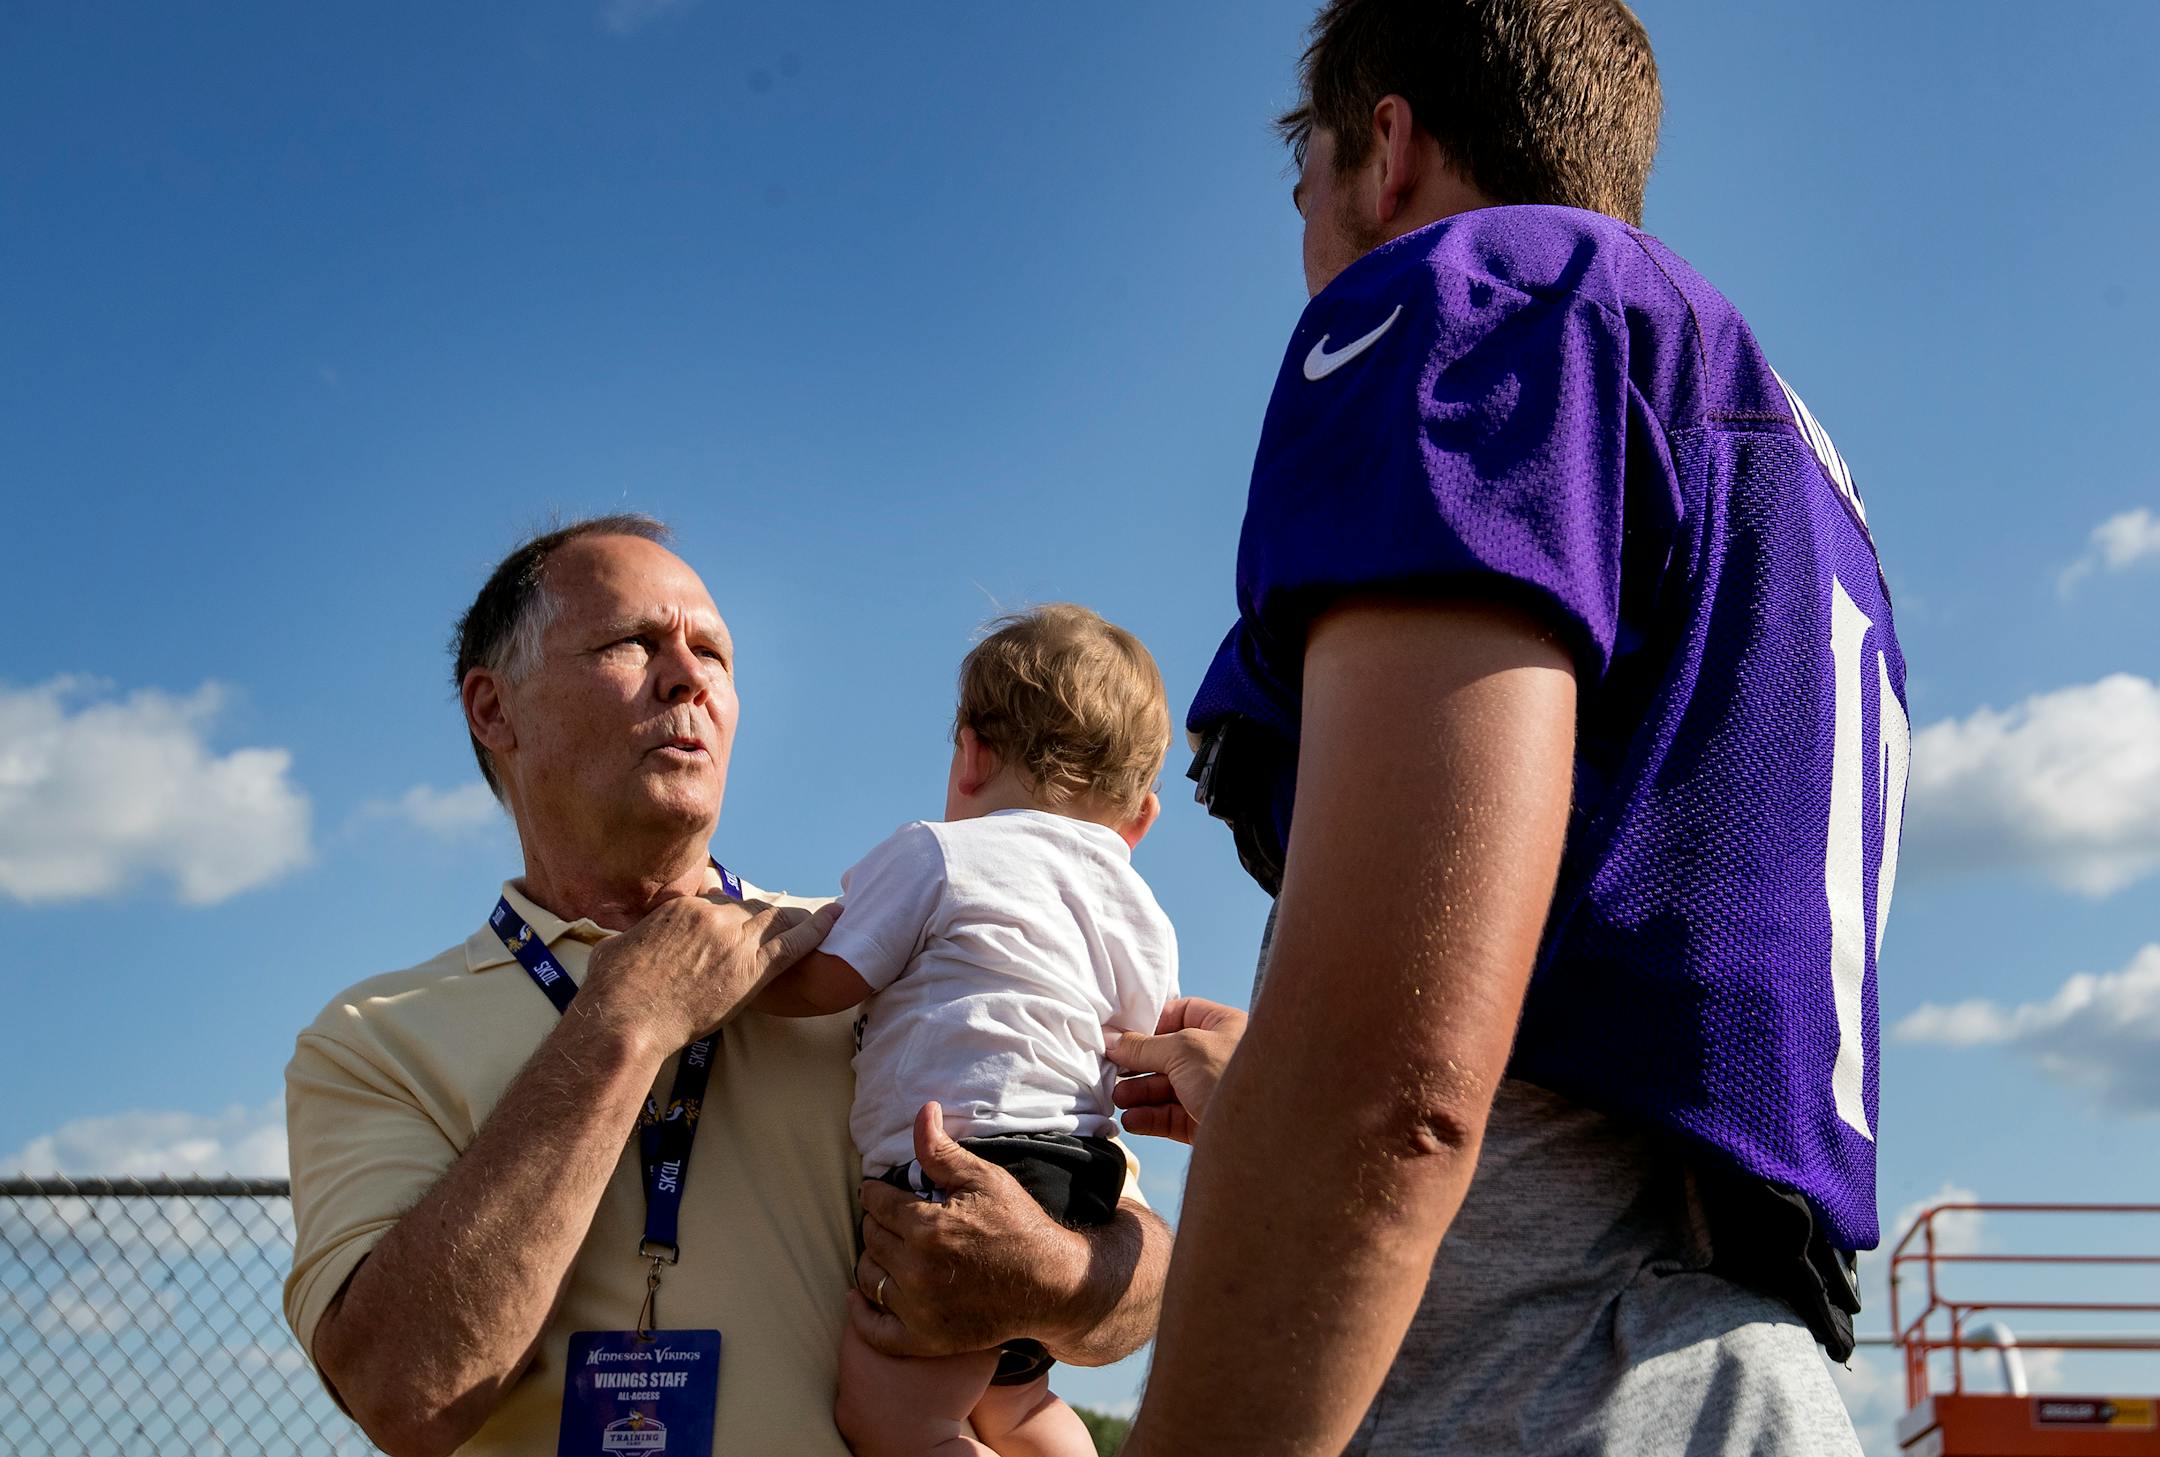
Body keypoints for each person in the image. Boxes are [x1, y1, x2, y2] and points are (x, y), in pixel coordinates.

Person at [1120, 2, 1907, 1454]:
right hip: (1734, 1372)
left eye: (1306, 186)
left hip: (1542, 1381)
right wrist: (1279, 1071)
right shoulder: (1783, 445)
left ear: (1388, 148)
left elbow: (1393, 1095)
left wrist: (1327, 1077)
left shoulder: (1492, 287)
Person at [282, 516, 1168, 1457]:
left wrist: (1059, 1276)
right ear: (494, 711)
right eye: (633, 642)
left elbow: (1138, 1264)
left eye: (713, 651)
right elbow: (405, 1392)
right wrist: (621, 1027)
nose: (687, 675)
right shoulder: (372, 1039)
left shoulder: (900, 942)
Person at [755, 603, 1179, 1457]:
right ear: (1141, 817)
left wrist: (741, 975)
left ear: (973, 752)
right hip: (1080, 1182)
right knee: (1016, 1403)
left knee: (896, 1422)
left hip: (960, 1169)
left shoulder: (940, 852)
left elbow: (831, 979)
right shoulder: (1144, 915)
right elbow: (1133, 1042)